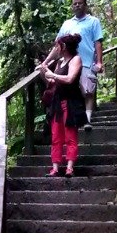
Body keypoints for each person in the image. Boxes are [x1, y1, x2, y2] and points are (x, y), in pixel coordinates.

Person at [39, 0, 104, 127]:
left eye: (80, 3)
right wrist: (45, 63)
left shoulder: (93, 21)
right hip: (68, 62)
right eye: (75, 3)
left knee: (88, 91)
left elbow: (98, 42)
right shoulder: (67, 24)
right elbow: (58, 45)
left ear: (85, 5)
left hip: (86, 62)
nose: (77, 5)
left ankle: (87, 120)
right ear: (72, 6)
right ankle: (69, 119)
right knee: (68, 89)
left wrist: (99, 62)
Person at [43, 32, 87, 177]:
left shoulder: (76, 60)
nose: (56, 48)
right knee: (56, 136)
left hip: (70, 102)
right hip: (57, 103)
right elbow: (53, 82)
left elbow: (69, 79)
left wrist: (53, 75)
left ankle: (69, 167)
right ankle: (55, 167)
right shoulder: (60, 62)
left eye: (58, 45)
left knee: (70, 136)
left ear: (64, 47)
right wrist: (45, 72)